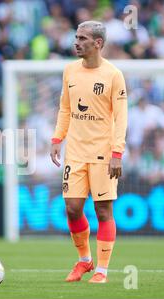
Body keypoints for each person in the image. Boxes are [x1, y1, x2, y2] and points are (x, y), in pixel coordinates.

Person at [50, 21, 128, 283]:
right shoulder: (70, 71)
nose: (76, 42)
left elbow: (121, 116)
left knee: (104, 211)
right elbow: (64, 108)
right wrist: (57, 137)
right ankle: (84, 260)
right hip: (75, 151)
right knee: (72, 208)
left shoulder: (113, 75)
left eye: (83, 38)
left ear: (98, 43)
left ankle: (102, 271)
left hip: (103, 154)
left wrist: (117, 153)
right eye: (76, 37)